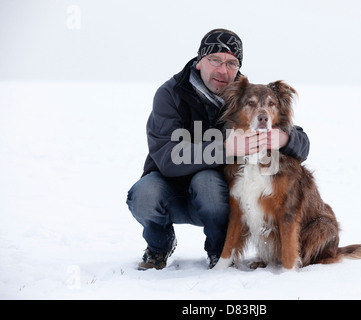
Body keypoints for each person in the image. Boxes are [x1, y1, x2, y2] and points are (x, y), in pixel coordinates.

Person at [126, 29, 310, 270]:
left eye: (232, 63)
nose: (223, 70)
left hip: (214, 194)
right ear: (199, 61)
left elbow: (300, 140)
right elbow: (167, 157)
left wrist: (285, 138)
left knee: (208, 184)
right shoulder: (170, 94)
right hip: (169, 184)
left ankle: (217, 251)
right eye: (215, 59)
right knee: (144, 195)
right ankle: (159, 248)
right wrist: (224, 148)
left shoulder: (245, 93)